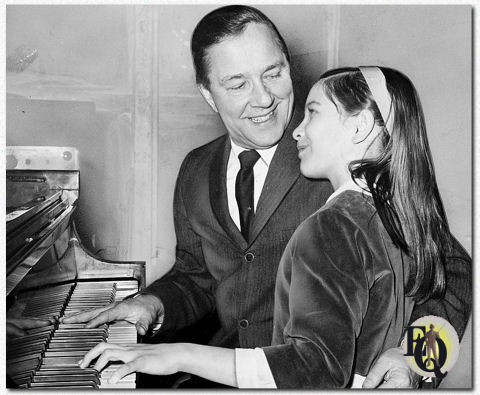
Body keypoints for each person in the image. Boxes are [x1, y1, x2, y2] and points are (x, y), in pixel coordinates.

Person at [65, 6, 471, 388]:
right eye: (237, 83)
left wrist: (415, 360)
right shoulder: (195, 169)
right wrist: (153, 304)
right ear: (208, 94)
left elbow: (451, 270)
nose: (262, 98)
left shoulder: (343, 158)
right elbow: (196, 277)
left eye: (273, 74)